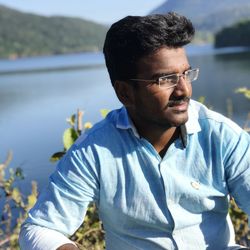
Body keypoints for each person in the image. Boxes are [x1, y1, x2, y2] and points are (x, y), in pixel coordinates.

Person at [19, 12, 250, 250]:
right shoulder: (94, 150)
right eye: (165, 79)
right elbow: (39, 228)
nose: (183, 90)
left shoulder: (221, 136)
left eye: (185, 74)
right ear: (125, 93)